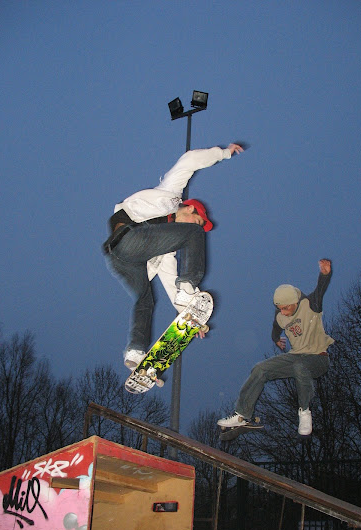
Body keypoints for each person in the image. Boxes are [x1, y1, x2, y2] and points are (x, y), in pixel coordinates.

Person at [103, 143, 244, 369]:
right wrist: (223, 153)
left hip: (120, 259)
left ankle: (135, 352)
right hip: (129, 237)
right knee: (193, 235)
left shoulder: (165, 250)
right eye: (196, 220)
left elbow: (171, 283)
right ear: (189, 209)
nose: (194, 226)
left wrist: (191, 319)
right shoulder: (171, 194)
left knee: (145, 300)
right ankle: (189, 285)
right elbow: (189, 161)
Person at [218, 259, 334, 436]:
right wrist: (275, 339)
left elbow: (321, 289)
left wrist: (325, 274)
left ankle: (304, 412)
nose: (284, 312)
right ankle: (242, 415)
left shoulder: (310, 304)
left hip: (318, 357)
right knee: (260, 369)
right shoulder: (280, 315)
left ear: (295, 302)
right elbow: (275, 327)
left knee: (300, 367)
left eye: (286, 308)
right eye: (280, 309)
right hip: (296, 356)